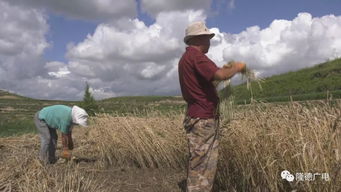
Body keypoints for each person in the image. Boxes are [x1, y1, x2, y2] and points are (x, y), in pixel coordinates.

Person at [178, 21, 246, 192]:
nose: (209, 42)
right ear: (199, 39)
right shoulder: (197, 57)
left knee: (200, 161)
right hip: (203, 118)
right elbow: (220, 75)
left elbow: (210, 80)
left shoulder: (186, 59)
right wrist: (237, 67)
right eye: (207, 38)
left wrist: (223, 72)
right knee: (203, 165)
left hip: (196, 115)